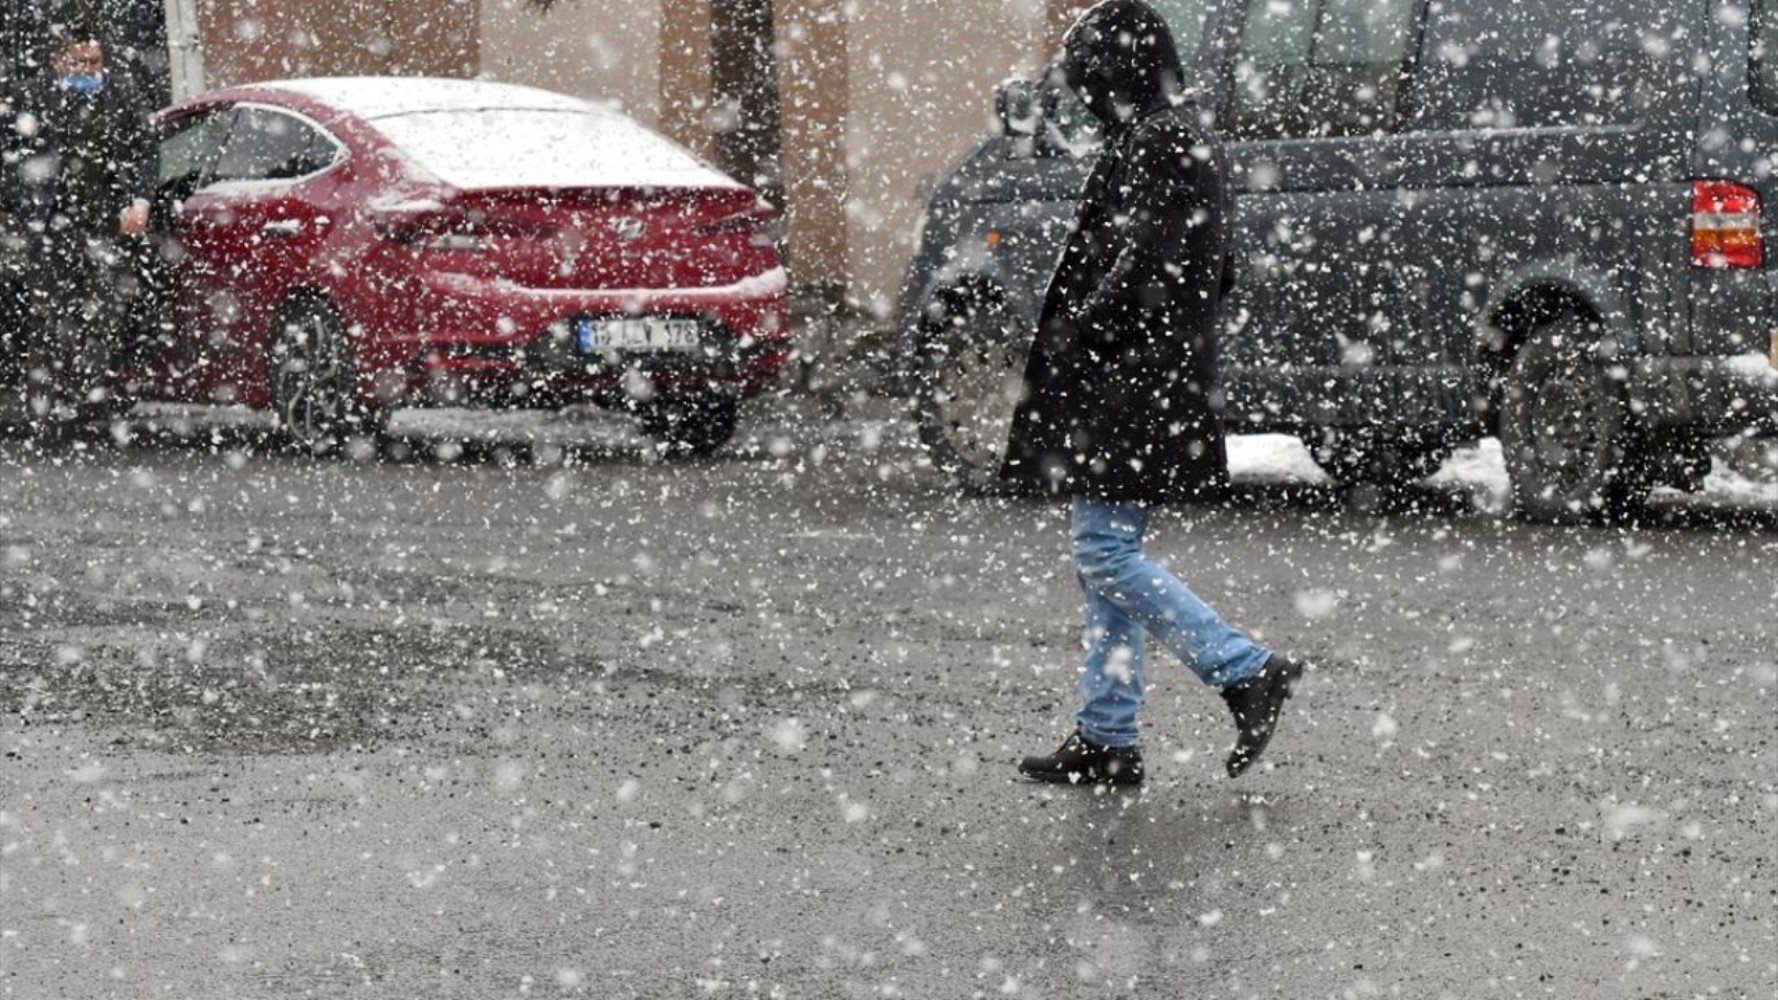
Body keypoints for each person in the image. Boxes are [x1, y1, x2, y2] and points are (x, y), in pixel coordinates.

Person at [1007, 0, 1308, 786]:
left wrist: (1084, 331)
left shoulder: (1165, 142)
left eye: (1089, 81)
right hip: (1144, 375)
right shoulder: (1169, 137)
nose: (1085, 98)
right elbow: (1210, 271)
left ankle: (1244, 670)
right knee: (1102, 554)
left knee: (1104, 550)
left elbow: (1153, 266)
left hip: (1135, 381)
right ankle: (1107, 736)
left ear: (1115, 75)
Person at [14, 31, 156, 431]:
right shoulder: (33, 97)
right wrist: (21, 205)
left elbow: (145, 147)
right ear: (61, 61)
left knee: (105, 312)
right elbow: (13, 158)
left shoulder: (123, 94)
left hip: (104, 223)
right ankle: (43, 404)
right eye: (80, 63)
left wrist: (140, 202)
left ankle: (90, 400)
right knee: (46, 315)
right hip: (50, 226)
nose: (89, 72)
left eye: (95, 63)